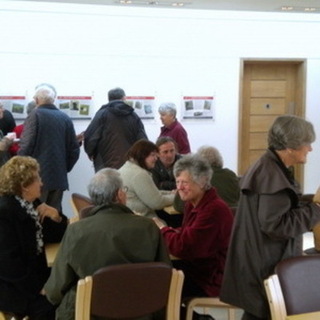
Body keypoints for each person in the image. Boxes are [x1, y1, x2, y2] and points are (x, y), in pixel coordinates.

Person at [220, 115, 320, 320]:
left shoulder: (270, 167)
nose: (310, 148)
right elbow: (276, 225)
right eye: (307, 143)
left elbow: (284, 205)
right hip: (263, 264)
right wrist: (316, 209)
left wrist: (310, 204)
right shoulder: (271, 174)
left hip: (257, 259)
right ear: (291, 146)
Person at [44, 168, 171, 320]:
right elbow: (164, 273)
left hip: (91, 312)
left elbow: (56, 288)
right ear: (119, 194)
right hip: (142, 311)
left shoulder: (76, 231)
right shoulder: (148, 227)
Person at [153, 154, 234, 299]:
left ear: (202, 182)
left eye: (184, 182)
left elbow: (184, 247)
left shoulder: (214, 210)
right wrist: (170, 231)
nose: (179, 188)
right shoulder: (193, 204)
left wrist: (162, 229)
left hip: (209, 280)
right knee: (154, 277)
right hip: (197, 270)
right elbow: (188, 234)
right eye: (177, 182)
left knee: (157, 288)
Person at [0, 156, 69, 320]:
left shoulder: (30, 203)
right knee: (60, 305)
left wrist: (56, 215)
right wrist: (39, 288)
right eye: (38, 178)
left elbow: (56, 234)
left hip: (35, 274)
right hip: (16, 289)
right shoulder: (5, 212)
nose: (42, 183)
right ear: (24, 186)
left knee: (70, 285)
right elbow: (9, 264)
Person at [18, 84, 80, 212]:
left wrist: (20, 170)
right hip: (59, 177)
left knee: (36, 215)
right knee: (54, 215)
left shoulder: (35, 115)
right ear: (53, 100)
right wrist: (64, 168)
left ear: (36, 100)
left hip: (37, 177)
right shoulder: (65, 118)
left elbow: (26, 145)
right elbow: (74, 149)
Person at [84, 87, 148, 171]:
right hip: (130, 165)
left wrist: (90, 152)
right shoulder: (133, 115)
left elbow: (90, 137)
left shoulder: (102, 114)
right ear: (124, 98)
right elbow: (142, 141)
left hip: (105, 165)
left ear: (109, 99)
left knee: (108, 184)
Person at [118, 139, 175, 219]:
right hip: (144, 220)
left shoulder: (127, 167)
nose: (156, 158)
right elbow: (157, 202)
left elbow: (150, 192)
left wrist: (170, 193)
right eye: (153, 155)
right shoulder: (139, 174)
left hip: (129, 217)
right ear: (142, 155)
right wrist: (178, 197)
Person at [174, 146, 240, 213]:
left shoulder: (199, 178)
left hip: (211, 216)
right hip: (235, 218)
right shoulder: (231, 175)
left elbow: (178, 206)